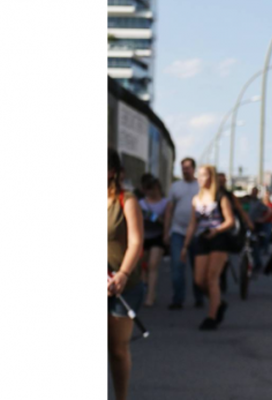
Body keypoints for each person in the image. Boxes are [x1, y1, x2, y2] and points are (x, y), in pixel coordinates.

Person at [107, 148, 145, 400]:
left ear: (111, 171)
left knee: (117, 350)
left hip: (122, 285)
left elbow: (135, 242)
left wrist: (122, 274)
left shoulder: (126, 200)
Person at [182, 165, 236, 330]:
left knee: (212, 278)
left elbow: (230, 220)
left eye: (204, 175)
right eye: (199, 175)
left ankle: (211, 316)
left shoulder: (220, 197)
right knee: (199, 280)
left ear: (211, 177)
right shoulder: (196, 199)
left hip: (218, 239)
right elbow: (193, 223)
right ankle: (218, 301)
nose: (200, 178)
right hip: (201, 238)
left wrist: (216, 230)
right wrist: (185, 246)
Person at [163, 157, 203, 310]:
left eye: (188, 168)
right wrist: (166, 232)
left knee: (197, 269)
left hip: (197, 234)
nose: (185, 171)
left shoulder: (200, 186)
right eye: (183, 168)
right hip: (178, 232)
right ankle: (178, 299)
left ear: (194, 169)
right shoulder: (176, 187)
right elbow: (169, 210)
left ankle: (199, 297)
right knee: (177, 267)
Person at [138, 176, 168, 307]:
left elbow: (167, 221)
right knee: (141, 267)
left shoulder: (165, 203)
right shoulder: (141, 203)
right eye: (148, 189)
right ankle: (144, 289)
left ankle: (150, 296)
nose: (151, 192)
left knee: (153, 265)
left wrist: (155, 218)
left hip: (157, 236)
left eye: (153, 189)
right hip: (143, 236)